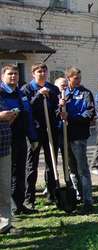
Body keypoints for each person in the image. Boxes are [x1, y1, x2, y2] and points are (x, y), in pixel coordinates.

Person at [0, 65, 38, 214]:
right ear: (3, 76)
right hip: (4, 139)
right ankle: (7, 208)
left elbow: (28, 116)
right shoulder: (1, 93)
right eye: (10, 74)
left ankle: (19, 205)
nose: (13, 77)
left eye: (15, 74)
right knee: (5, 175)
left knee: (20, 172)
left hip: (20, 138)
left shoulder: (20, 94)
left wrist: (33, 137)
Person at [22, 63, 60, 208]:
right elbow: (26, 109)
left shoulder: (53, 88)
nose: (42, 74)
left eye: (44, 71)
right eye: (39, 71)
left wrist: (60, 109)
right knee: (32, 166)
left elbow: (56, 108)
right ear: (33, 74)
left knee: (52, 164)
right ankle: (29, 199)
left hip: (51, 130)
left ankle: (52, 195)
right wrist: (39, 95)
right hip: (34, 131)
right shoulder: (27, 89)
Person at [61, 67, 95, 214]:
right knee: (71, 169)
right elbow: (56, 114)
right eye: (76, 78)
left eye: (80, 78)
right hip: (64, 135)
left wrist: (72, 117)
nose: (79, 80)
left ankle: (88, 201)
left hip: (79, 136)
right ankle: (78, 195)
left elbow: (89, 112)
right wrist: (59, 108)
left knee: (82, 169)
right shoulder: (62, 93)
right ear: (69, 78)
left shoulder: (85, 93)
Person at [0, 89, 19, 234]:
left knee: (4, 188)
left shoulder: (2, 98)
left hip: (4, 148)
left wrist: (10, 117)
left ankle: (5, 224)